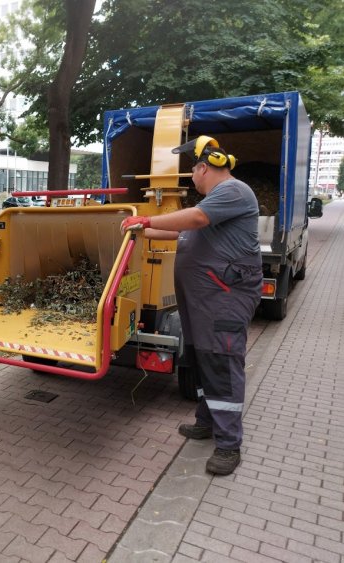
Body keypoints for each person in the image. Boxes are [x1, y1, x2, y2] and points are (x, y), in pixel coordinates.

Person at [120, 136, 262, 476]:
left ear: (203, 168)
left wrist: (148, 221)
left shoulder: (233, 191)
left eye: (193, 171)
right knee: (201, 359)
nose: (192, 178)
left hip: (223, 298)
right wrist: (138, 231)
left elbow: (195, 219)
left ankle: (228, 445)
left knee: (221, 362)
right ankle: (206, 421)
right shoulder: (214, 203)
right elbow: (180, 232)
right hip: (203, 299)